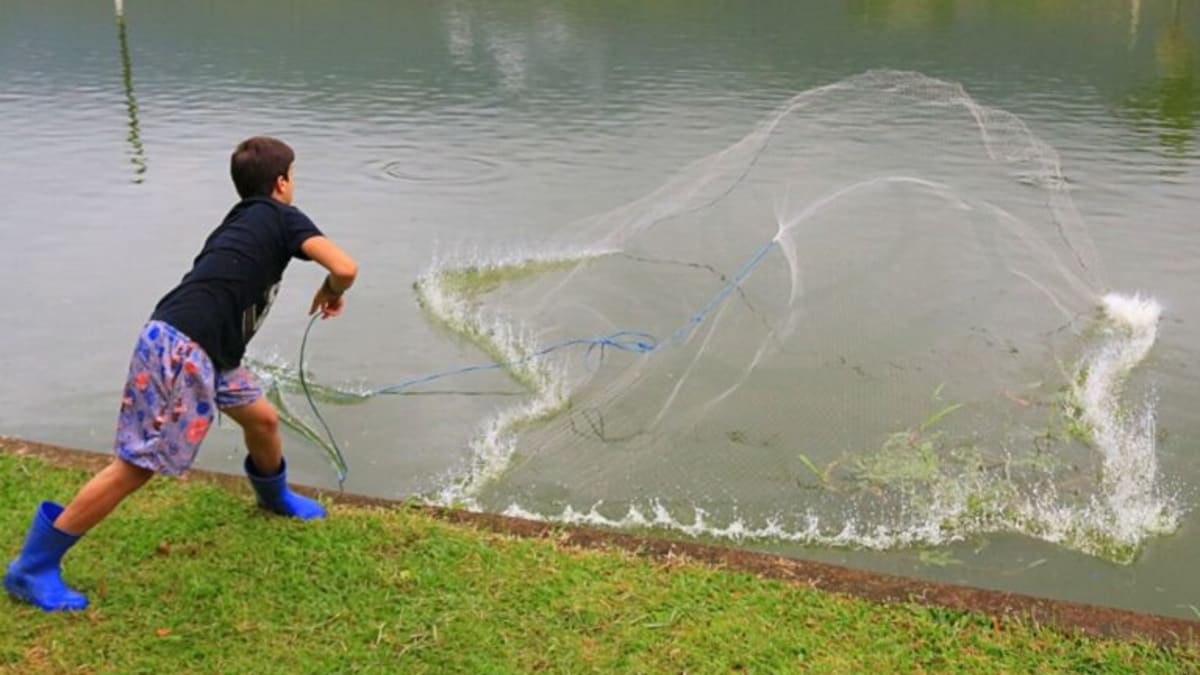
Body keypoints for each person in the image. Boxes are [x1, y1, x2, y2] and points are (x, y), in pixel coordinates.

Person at [5, 137, 358, 612]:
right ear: (281, 183)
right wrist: (332, 289)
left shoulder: (239, 218)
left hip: (208, 350)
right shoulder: (280, 215)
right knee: (135, 466)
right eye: (293, 175)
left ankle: (275, 498)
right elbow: (345, 266)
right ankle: (31, 568)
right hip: (183, 350)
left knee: (263, 420)